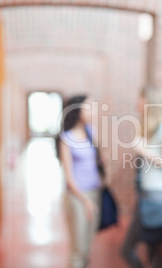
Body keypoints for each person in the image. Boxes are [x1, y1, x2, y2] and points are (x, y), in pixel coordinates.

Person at [121, 87, 162, 268]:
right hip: (147, 193)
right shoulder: (151, 128)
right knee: (154, 251)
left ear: (150, 102)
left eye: (141, 99)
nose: (138, 103)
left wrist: (143, 150)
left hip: (157, 195)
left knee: (127, 249)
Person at [57, 95, 104, 268]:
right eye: (89, 107)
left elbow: (98, 160)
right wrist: (85, 200)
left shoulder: (91, 131)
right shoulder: (66, 138)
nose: (93, 110)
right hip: (77, 197)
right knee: (78, 251)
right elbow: (68, 176)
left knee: (87, 249)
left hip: (95, 192)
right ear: (77, 109)